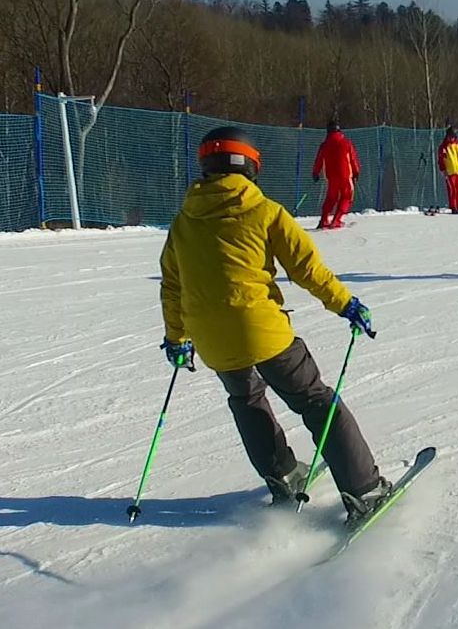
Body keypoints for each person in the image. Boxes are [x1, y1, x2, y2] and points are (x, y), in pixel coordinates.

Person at [159, 126, 390, 525]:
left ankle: (282, 474)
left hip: (212, 340)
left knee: (246, 401)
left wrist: (177, 338)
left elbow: (172, 285)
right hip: (261, 330)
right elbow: (307, 270)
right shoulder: (265, 211)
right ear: (250, 165)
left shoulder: (184, 220)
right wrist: (345, 304)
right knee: (316, 401)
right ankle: (364, 488)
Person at [312, 120, 361, 229]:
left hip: (331, 176)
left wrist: (316, 172)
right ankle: (337, 220)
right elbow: (353, 159)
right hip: (345, 175)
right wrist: (356, 172)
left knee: (331, 197)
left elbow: (319, 160)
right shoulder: (346, 143)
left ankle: (324, 219)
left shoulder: (324, 145)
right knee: (347, 196)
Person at [438, 126, 458, 214]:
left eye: (454, 136)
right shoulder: (443, 147)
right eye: (451, 136)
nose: (452, 138)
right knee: (452, 190)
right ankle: (454, 207)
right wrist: (443, 170)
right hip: (450, 172)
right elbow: (441, 159)